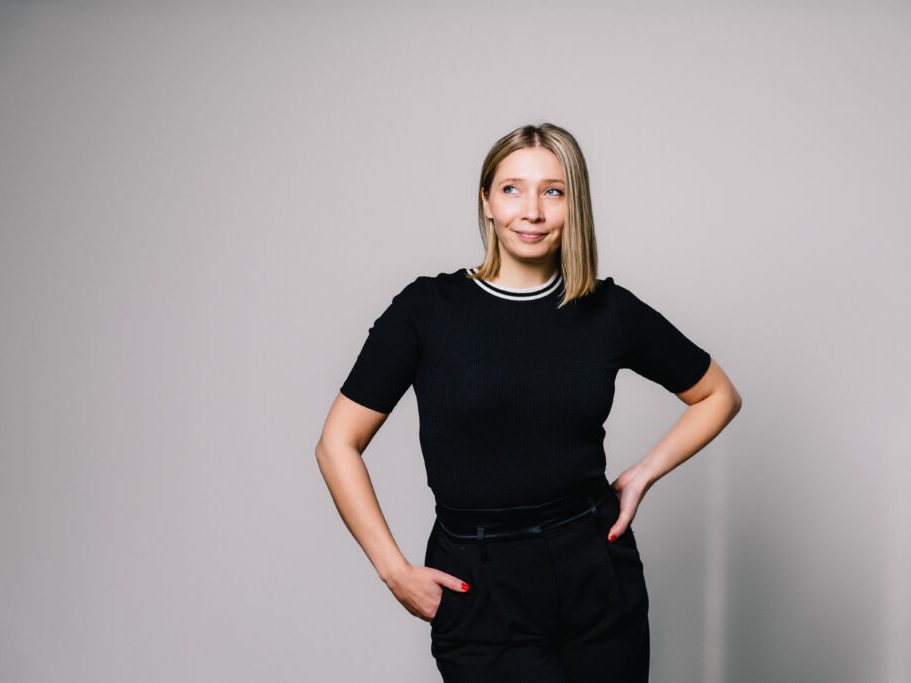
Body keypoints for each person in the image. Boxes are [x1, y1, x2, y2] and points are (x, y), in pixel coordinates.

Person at [315, 122, 743, 682]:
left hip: (595, 571)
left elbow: (717, 395)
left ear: (574, 204)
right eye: (512, 189)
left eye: (553, 191)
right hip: (480, 584)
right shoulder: (427, 310)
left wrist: (641, 476)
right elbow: (337, 444)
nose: (532, 211)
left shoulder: (607, 310)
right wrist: (394, 571)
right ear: (487, 202)